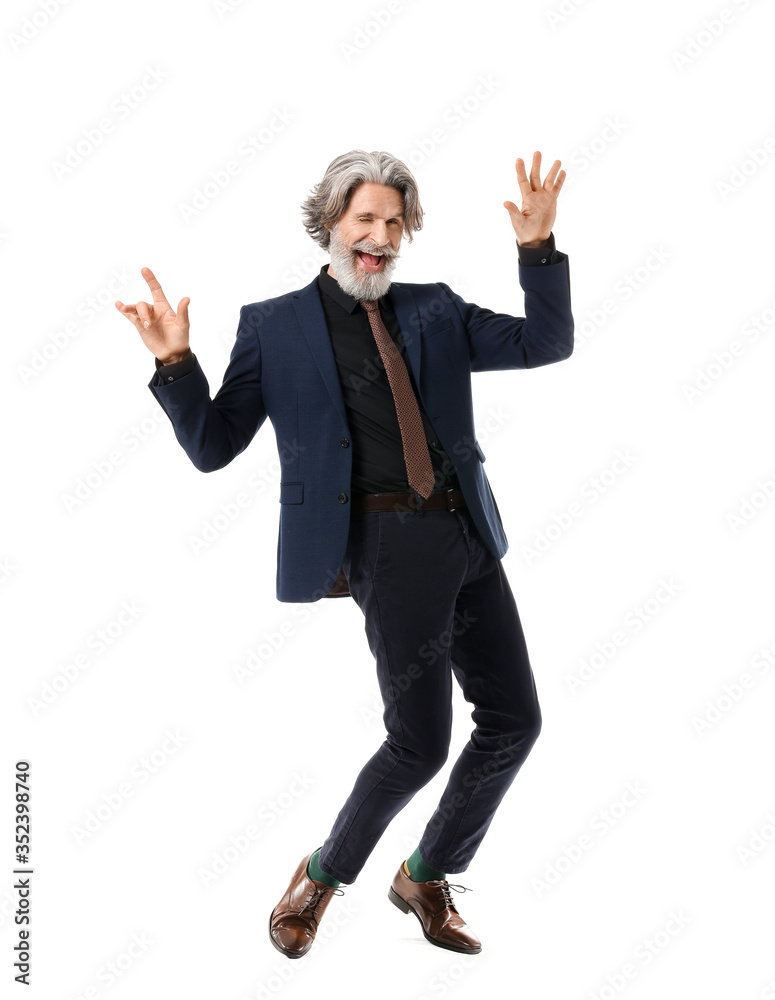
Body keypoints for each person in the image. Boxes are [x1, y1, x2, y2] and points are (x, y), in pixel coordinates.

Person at [116, 148, 573, 958]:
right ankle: (321, 877)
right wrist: (175, 363)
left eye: (394, 222)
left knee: (515, 720)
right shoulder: (273, 326)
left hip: (467, 534)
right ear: (330, 223)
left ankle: (425, 873)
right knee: (418, 743)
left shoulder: (436, 308)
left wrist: (536, 248)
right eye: (366, 218)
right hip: (388, 548)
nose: (381, 236)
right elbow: (213, 446)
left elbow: (545, 343)